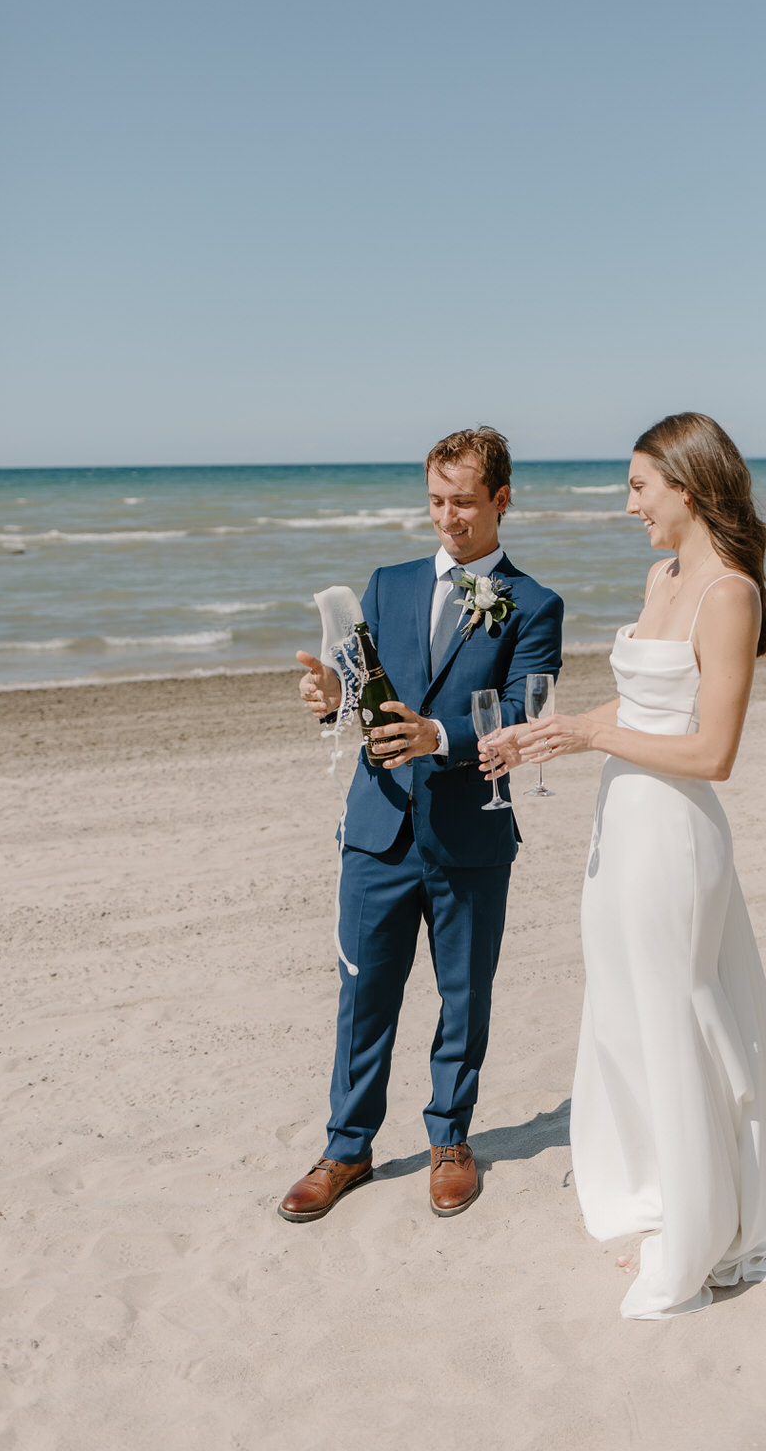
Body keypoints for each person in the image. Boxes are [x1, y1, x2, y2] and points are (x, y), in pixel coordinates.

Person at [481, 413, 766, 1317]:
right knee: (626, 1009)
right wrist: (552, 736)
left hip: (674, 833)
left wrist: (589, 732)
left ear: (686, 489)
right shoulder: (660, 576)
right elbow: (638, 705)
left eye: (638, 488)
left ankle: (701, 1232)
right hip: (619, 822)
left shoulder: (726, 594)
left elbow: (711, 754)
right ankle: (663, 1195)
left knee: (678, 1015)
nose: (628, 507)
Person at [279, 427, 563, 1224]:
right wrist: (329, 701)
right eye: (436, 501)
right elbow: (358, 685)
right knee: (363, 994)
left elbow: (524, 712)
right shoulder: (385, 582)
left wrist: (440, 735)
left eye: (463, 503)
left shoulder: (535, 605)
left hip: (471, 830)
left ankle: (450, 1139)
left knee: (463, 996)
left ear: (501, 500)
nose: (447, 518)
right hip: (377, 828)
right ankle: (346, 1147)